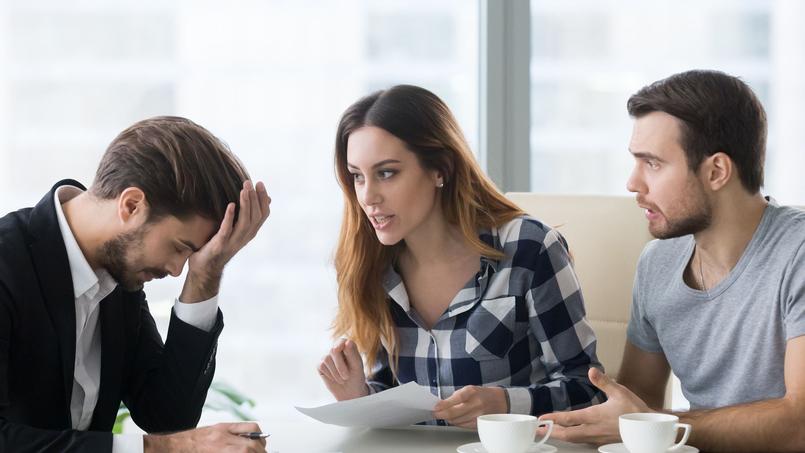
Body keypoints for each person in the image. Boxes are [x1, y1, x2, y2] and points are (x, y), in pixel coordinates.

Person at [540, 70, 805, 452]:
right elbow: (637, 400)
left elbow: (799, 423)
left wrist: (654, 426)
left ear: (716, 171)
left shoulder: (797, 252)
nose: (633, 183)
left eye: (653, 164)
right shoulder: (658, 262)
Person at [316, 85, 605, 428]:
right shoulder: (370, 266)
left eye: (386, 173)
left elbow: (589, 391)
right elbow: (392, 393)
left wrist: (504, 404)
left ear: (440, 169)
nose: (368, 196)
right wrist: (359, 397)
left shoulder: (529, 248)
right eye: (357, 177)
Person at [0, 116, 272, 453]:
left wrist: (206, 275)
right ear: (131, 205)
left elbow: (166, 416)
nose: (176, 270)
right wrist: (162, 449)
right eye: (180, 247)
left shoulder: (116, 280)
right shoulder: (7, 265)